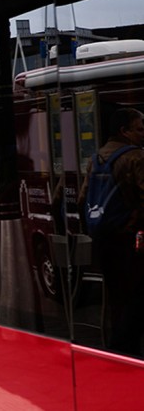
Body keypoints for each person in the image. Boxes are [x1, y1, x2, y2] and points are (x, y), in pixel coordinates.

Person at [78, 108, 144, 355]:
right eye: (139, 128)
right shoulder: (135, 157)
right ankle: (126, 348)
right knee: (136, 296)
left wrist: (93, 231)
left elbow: (82, 199)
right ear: (124, 131)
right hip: (129, 238)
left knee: (115, 296)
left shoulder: (95, 158)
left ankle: (117, 349)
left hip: (104, 238)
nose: (143, 133)